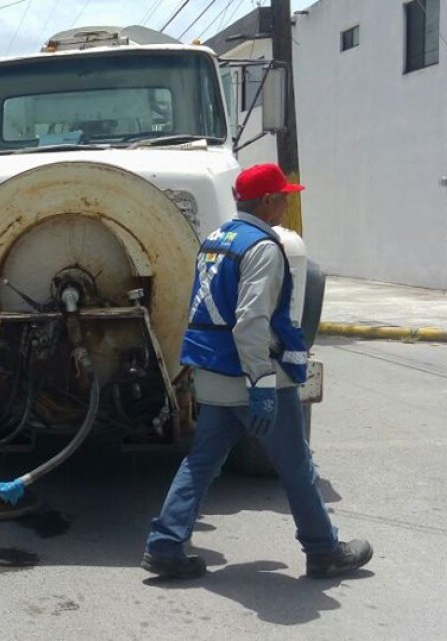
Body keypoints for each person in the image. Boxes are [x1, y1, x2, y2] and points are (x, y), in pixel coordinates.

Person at [141, 163, 373, 580]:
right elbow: (250, 321)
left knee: (200, 463)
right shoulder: (263, 247)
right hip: (253, 376)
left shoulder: (215, 240)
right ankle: (324, 551)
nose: (286, 205)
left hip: (212, 372)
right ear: (267, 201)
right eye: (283, 198)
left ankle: (166, 546)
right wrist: (262, 385)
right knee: (297, 468)